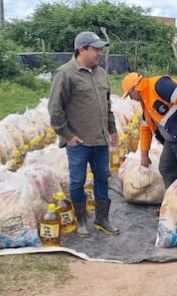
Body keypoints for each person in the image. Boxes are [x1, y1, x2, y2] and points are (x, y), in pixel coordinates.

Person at [49, 31, 120, 238]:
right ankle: (81, 221)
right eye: (96, 49)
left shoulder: (101, 74)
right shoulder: (65, 74)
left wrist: (112, 128)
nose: (100, 53)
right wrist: (67, 135)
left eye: (100, 49)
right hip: (78, 141)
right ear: (82, 49)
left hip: (100, 139)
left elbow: (107, 105)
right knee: (77, 181)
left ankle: (102, 219)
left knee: (102, 178)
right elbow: (55, 109)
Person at [121, 73, 177, 187]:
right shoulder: (145, 102)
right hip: (172, 139)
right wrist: (144, 155)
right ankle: (173, 198)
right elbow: (146, 128)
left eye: (130, 94)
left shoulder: (159, 85)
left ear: (135, 88)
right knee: (166, 168)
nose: (131, 98)